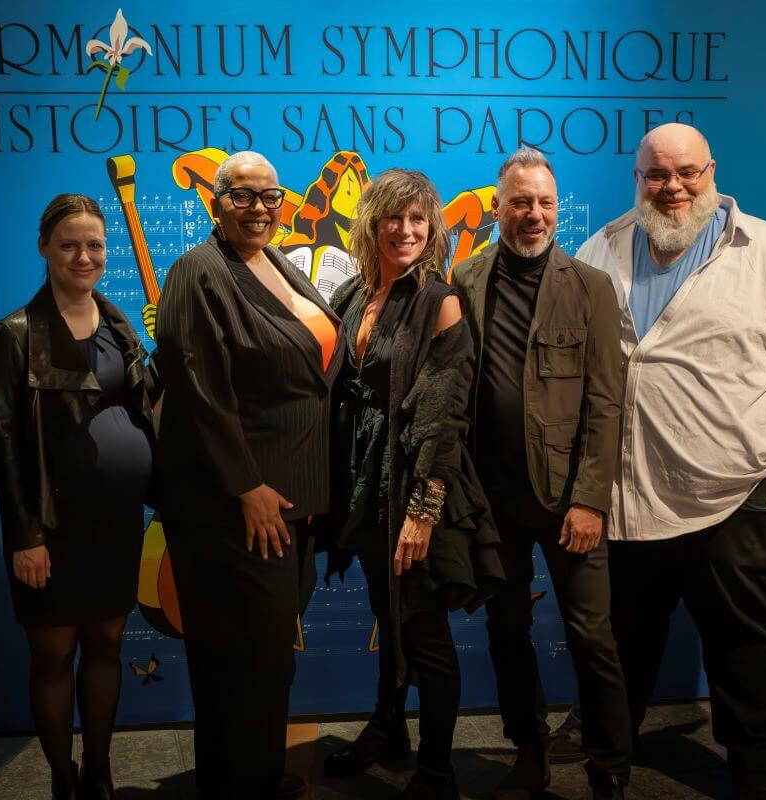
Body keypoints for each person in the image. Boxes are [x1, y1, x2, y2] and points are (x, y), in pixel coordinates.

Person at [575, 123, 766, 800]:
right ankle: (611, 767)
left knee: (743, 647)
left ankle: (755, 776)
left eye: (688, 173)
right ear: (638, 179)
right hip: (630, 493)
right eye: (658, 175)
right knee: (622, 643)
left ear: (711, 172)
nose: (674, 186)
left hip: (743, 493)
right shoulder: (602, 249)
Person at [154, 151, 342, 799]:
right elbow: (195, 389)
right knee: (239, 666)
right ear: (216, 203)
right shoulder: (197, 272)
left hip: (295, 503)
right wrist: (246, 486)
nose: (258, 208)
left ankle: (255, 777)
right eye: (242, 197)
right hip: (240, 509)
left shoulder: (279, 263)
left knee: (264, 665)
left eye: (269, 196)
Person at [452, 148, 633, 800]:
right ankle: (527, 750)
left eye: (544, 203)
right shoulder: (466, 279)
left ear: (559, 209)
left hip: (567, 505)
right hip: (492, 504)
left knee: (592, 637)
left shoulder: (590, 288)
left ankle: (609, 770)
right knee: (507, 632)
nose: (533, 214)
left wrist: (590, 501)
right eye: (520, 202)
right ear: (498, 206)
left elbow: (606, 404)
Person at [321, 168, 504, 799]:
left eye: (418, 219)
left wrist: (423, 512)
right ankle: (389, 729)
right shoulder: (356, 294)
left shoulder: (439, 299)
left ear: (434, 230)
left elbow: (444, 414)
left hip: (418, 490)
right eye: (393, 218)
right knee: (389, 619)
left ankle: (437, 770)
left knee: (425, 635)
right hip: (366, 489)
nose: (405, 230)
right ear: (370, 224)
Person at [0, 194, 156, 799]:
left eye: (94, 246)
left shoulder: (119, 325)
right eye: (69, 245)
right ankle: (62, 777)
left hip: (116, 524)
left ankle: (101, 772)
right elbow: (3, 447)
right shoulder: (12, 335)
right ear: (45, 249)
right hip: (51, 530)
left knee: (107, 647)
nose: (83, 257)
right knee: (54, 658)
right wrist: (25, 535)